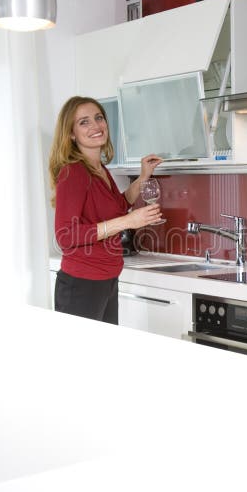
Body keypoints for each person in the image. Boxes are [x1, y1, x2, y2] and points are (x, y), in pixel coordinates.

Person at [48, 96, 163, 323]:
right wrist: (128, 221)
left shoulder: (98, 169)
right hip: (82, 284)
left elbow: (118, 206)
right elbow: (66, 236)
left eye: (98, 118)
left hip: (106, 279)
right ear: (71, 133)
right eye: (84, 122)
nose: (95, 126)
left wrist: (142, 177)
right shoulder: (74, 173)